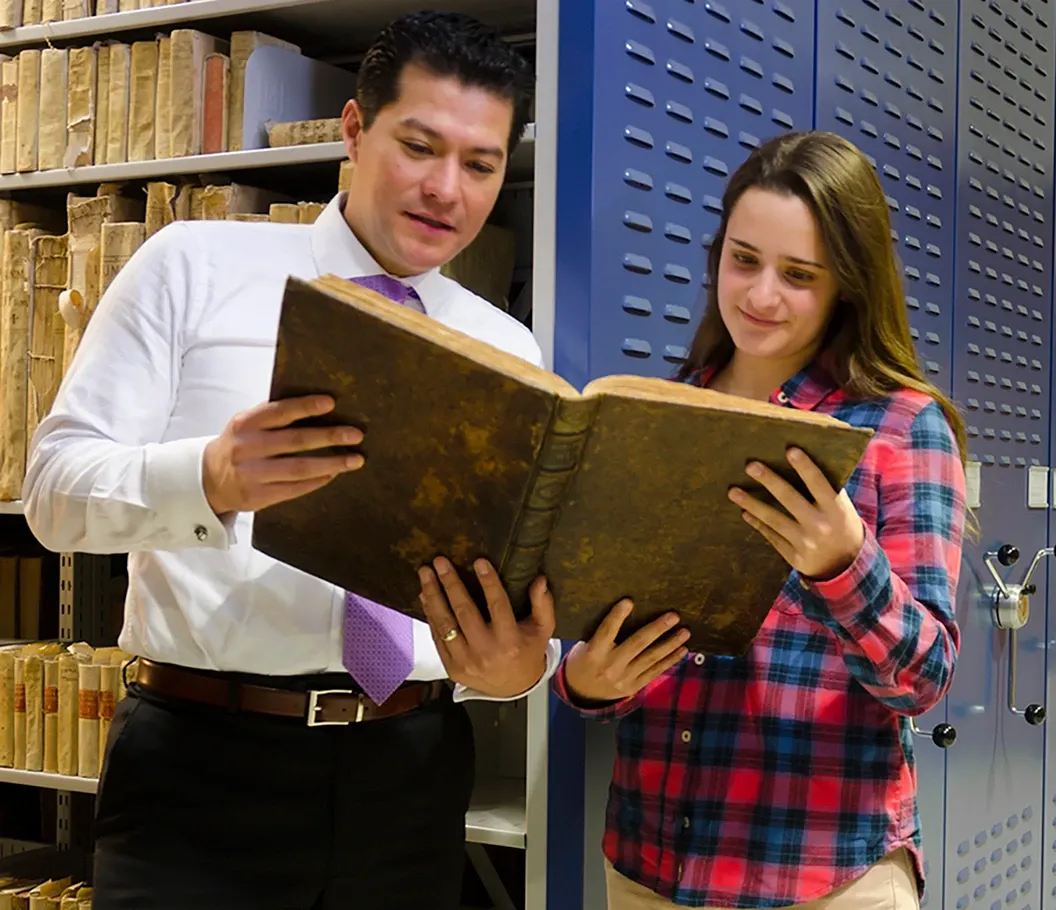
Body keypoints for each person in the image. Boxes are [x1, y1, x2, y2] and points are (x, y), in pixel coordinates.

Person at [20, 12, 675, 910]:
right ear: (356, 129)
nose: (447, 189)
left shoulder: (505, 348)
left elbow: (511, 621)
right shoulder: (193, 263)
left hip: (412, 768)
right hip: (203, 764)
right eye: (419, 146)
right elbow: (53, 495)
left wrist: (513, 667)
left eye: (480, 165)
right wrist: (207, 477)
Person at [545, 131, 968, 909]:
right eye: (743, 260)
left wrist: (843, 565)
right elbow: (613, 631)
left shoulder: (902, 429)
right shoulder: (664, 414)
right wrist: (587, 681)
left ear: (847, 282)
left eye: (798, 275)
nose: (761, 295)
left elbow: (924, 679)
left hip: (824, 876)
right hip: (650, 864)